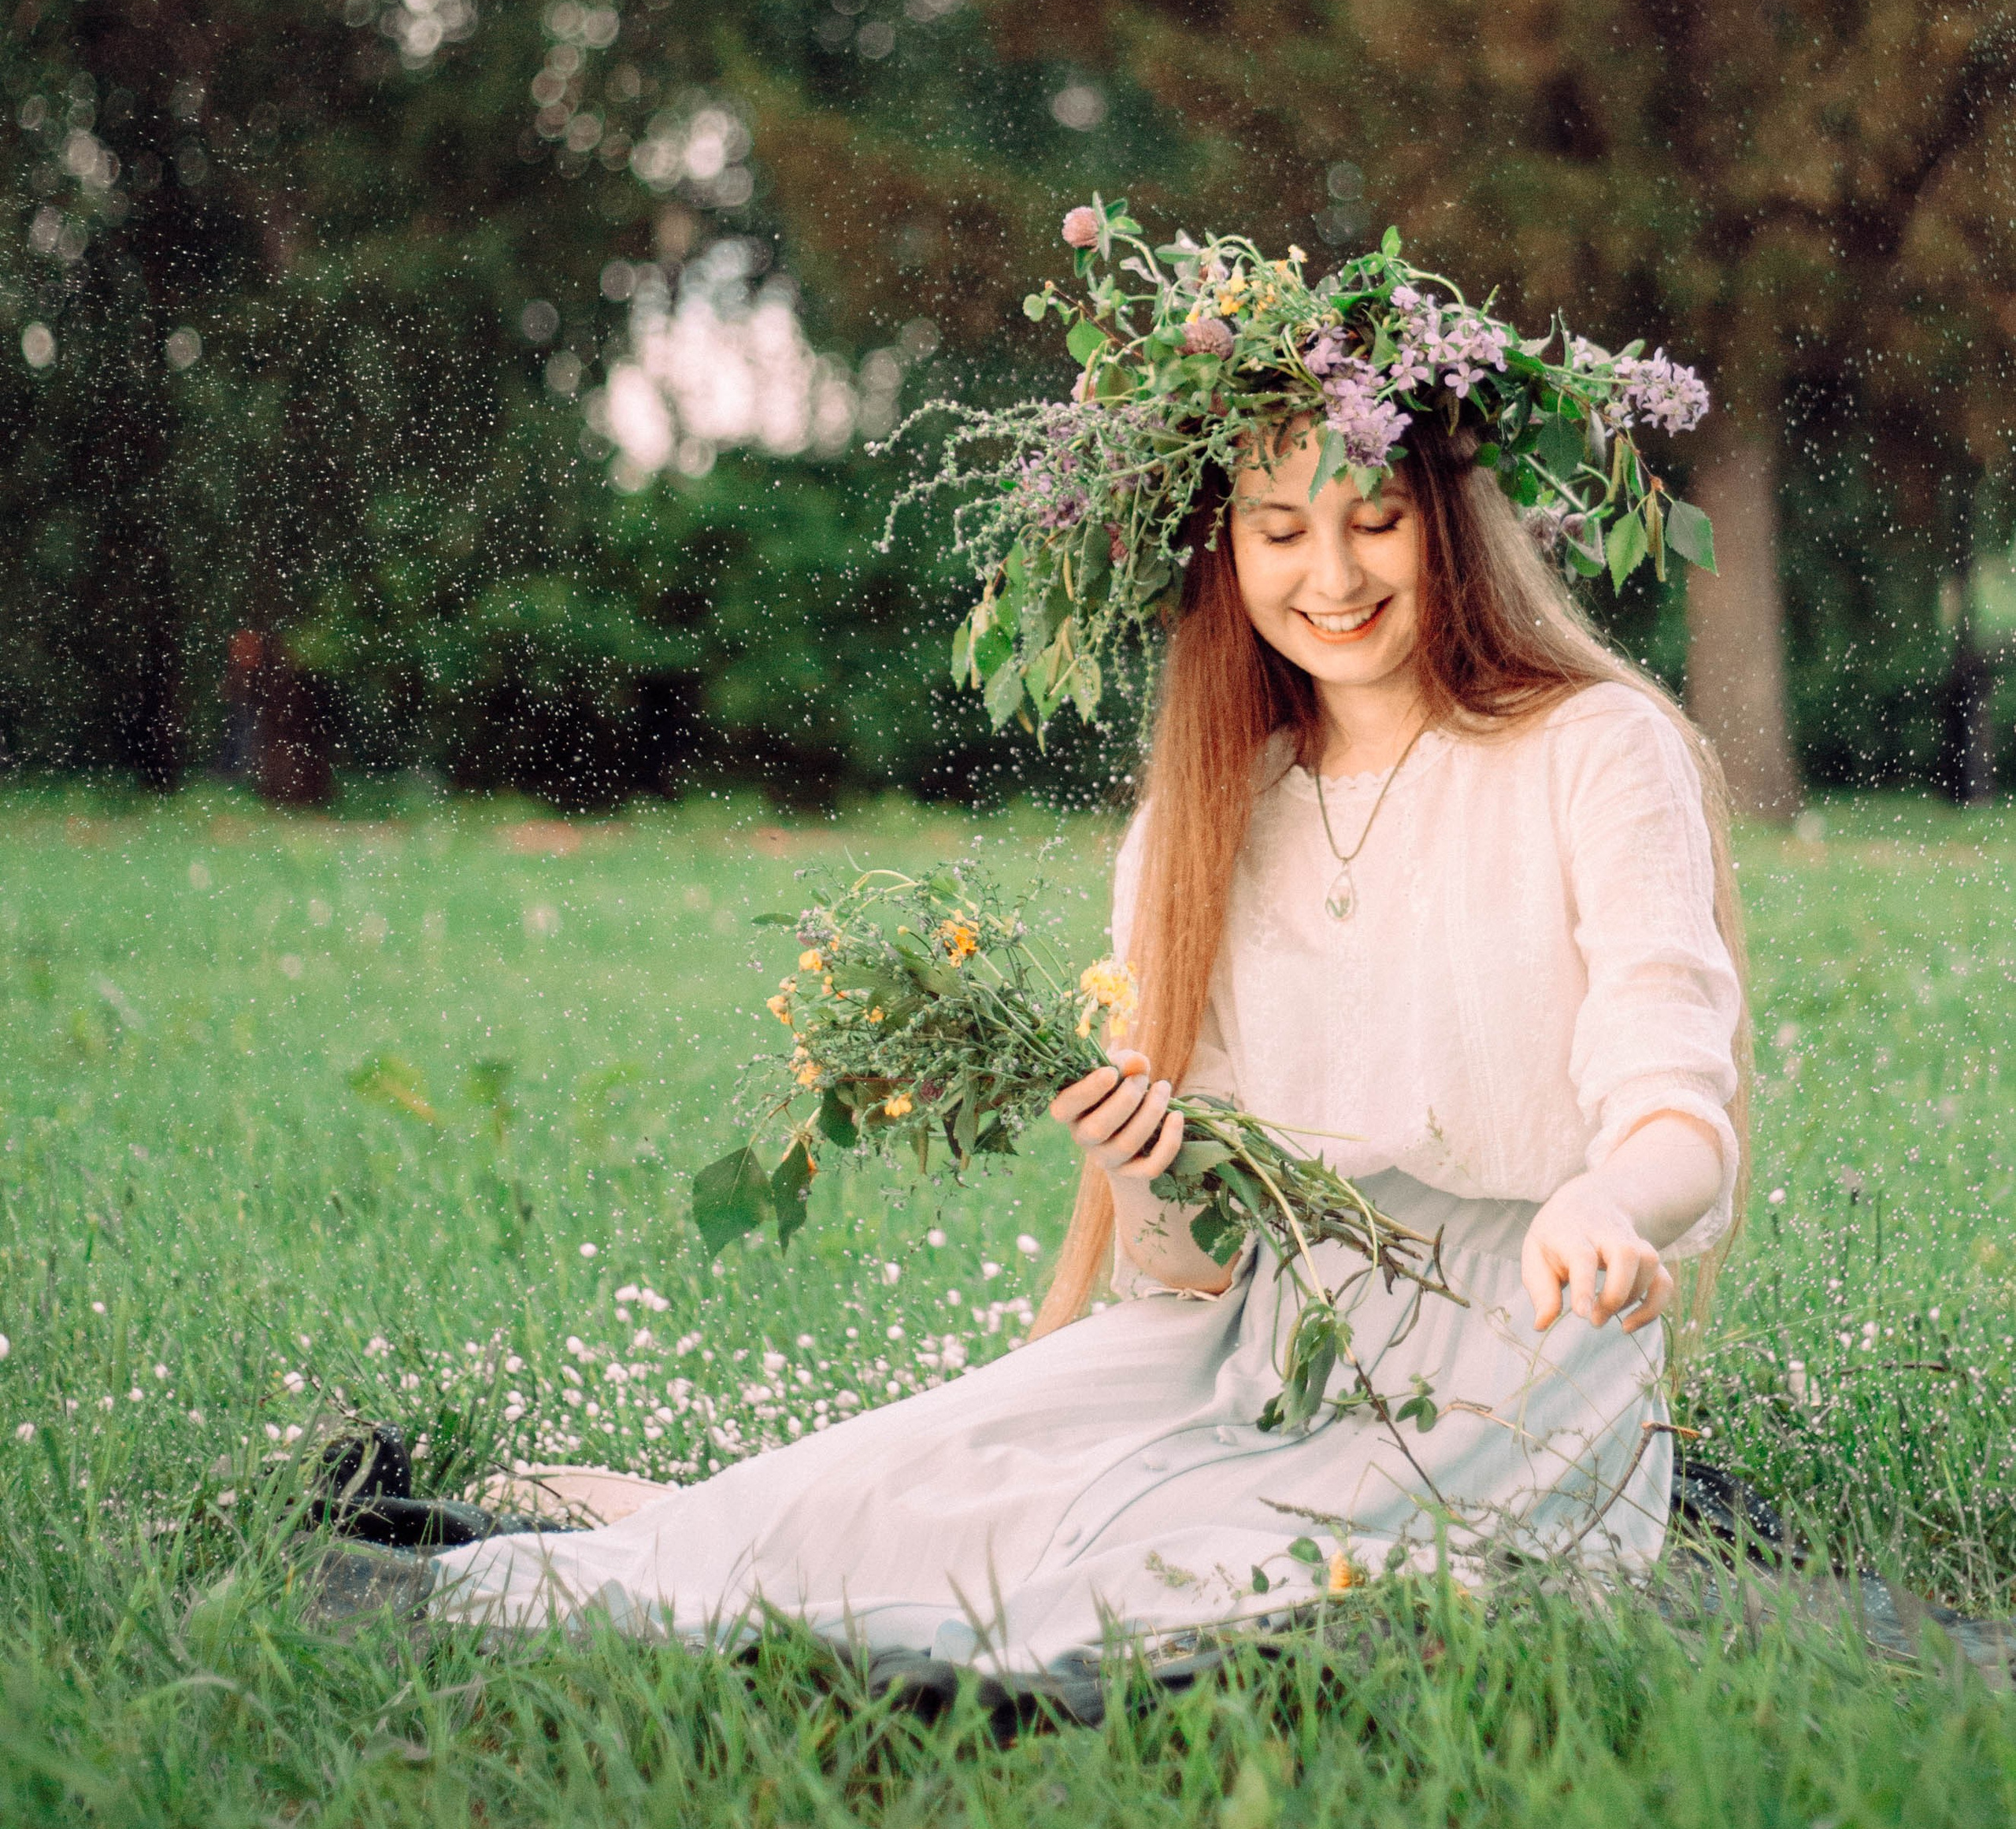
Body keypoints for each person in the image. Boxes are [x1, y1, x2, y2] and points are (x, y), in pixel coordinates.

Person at [430, 233, 1747, 1666]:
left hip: (1516, 1372)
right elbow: (1186, 1272)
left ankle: (707, 1542)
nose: (1332, 573)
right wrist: (1139, 1162)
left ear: (1450, 517)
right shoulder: (1198, 831)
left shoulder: (1594, 753)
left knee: (1168, 1583)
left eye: (1375, 518)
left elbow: (1681, 1105)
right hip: (1263, 1354)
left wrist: (1611, 1208)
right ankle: (667, 1531)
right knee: (927, 1479)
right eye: (1277, 528)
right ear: (1223, 547)